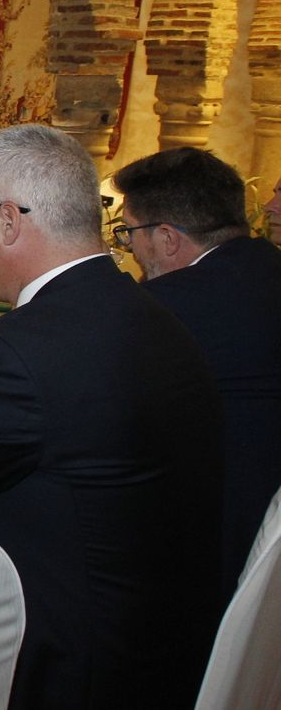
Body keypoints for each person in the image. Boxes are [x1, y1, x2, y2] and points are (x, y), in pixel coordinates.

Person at [0, 123, 222, 709]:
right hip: (169, 641)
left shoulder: (12, 356)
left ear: (8, 220)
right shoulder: (154, 313)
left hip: (69, 667)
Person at [112, 146, 281, 600]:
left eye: (129, 234)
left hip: (215, 552)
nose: (130, 248)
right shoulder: (266, 265)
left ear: (167, 238)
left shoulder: (169, 309)